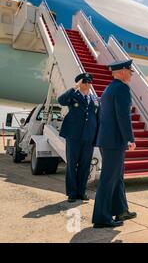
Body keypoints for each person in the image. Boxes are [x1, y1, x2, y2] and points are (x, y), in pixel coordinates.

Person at [92, 60, 137, 229]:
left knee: (117, 178)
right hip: (114, 141)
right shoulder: (122, 89)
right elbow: (123, 117)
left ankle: (121, 210)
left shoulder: (109, 88)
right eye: (130, 71)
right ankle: (101, 218)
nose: (132, 74)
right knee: (109, 179)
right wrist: (130, 139)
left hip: (107, 140)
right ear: (123, 71)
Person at [58, 73, 98, 203]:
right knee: (72, 164)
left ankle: (82, 191)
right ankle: (72, 193)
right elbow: (61, 101)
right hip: (73, 135)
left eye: (89, 81)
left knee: (85, 165)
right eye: (85, 81)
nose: (87, 84)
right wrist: (74, 88)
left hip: (89, 136)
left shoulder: (94, 99)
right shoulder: (73, 95)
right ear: (80, 83)